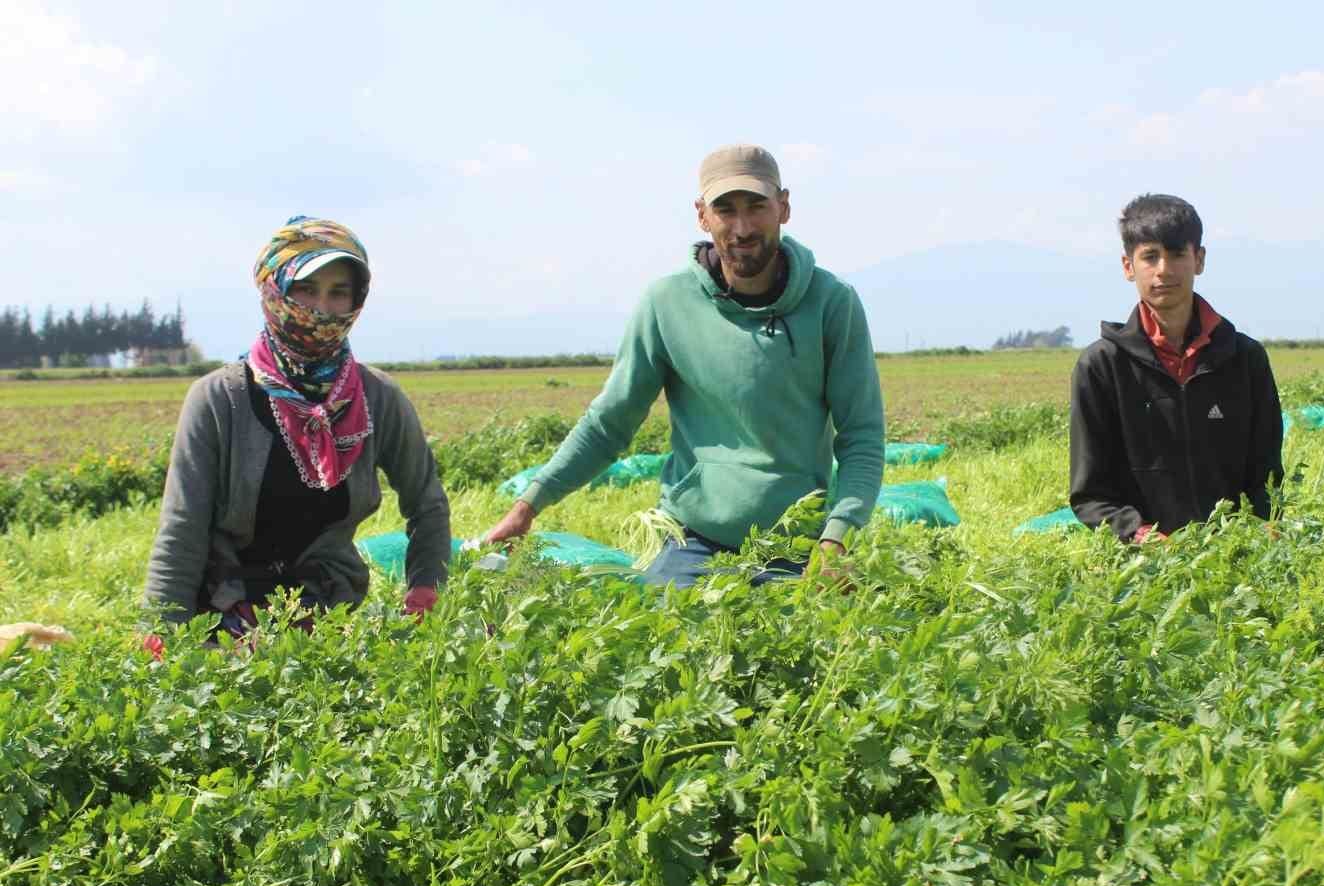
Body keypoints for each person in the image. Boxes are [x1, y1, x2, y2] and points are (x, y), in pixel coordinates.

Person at [484, 144, 885, 586]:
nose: (742, 227)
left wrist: (837, 538)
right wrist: (528, 506)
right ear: (702, 215)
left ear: (784, 207)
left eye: (757, 207)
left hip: (795, 541)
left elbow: (861, 435)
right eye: (725, 210)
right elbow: (609, 422)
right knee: (665, 642)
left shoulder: (831, 302)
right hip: (692, 539)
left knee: (810, 647)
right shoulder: (666, 304)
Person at [143, 216, 450, 639]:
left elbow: (427, 503)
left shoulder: (377, 397)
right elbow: (182, 527)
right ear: (274, 290)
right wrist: (162, 632)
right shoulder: (218, 399)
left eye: (338, 293)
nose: (321, 309)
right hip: (217, 612)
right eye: (306, 289)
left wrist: (424, 589)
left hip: (324, 612)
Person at [1069, 194, 1283, 543]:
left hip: (1236, 559)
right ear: (1128, 266)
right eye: (1150, 257)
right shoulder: (1102, 366)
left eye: (1177, 254)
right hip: (1142, 570)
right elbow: (1090, 495)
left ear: (1199, 260)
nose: (1163, 270)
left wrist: (1259, 533)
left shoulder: (1245, 359)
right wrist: (1140, 537)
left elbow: (1266, 476)